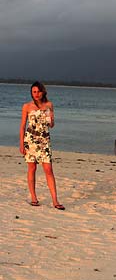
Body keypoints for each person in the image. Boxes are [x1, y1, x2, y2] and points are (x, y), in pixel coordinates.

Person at [19, 81, 65, 210]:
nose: (36, 94)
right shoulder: (27, 106)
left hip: (44, 140)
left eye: (38, 91)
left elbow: (51, 125)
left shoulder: (49, 105)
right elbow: (23, 126)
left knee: (48, 169)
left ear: (43, 92)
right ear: (31, 93)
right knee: (32, 168)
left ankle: (55, 201)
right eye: (34, 92)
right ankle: (34, 198)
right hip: (31, 140)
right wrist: (22, 143)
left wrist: (50, 116)